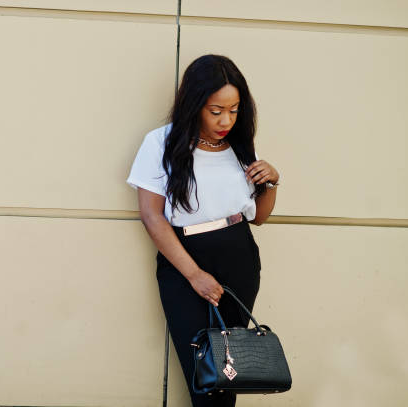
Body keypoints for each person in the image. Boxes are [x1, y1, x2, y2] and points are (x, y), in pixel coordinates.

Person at [126, 54, 280, 407]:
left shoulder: (241, 147)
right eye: (216, 111)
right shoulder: (161, 143)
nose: (226, 120)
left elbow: (258, 217)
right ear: (194, 104)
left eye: (234, 110)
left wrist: (272, 182)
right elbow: (152, 216)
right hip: (186, 261)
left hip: (239, 259)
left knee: (231, 372)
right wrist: (194, 275)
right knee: (204, 377)